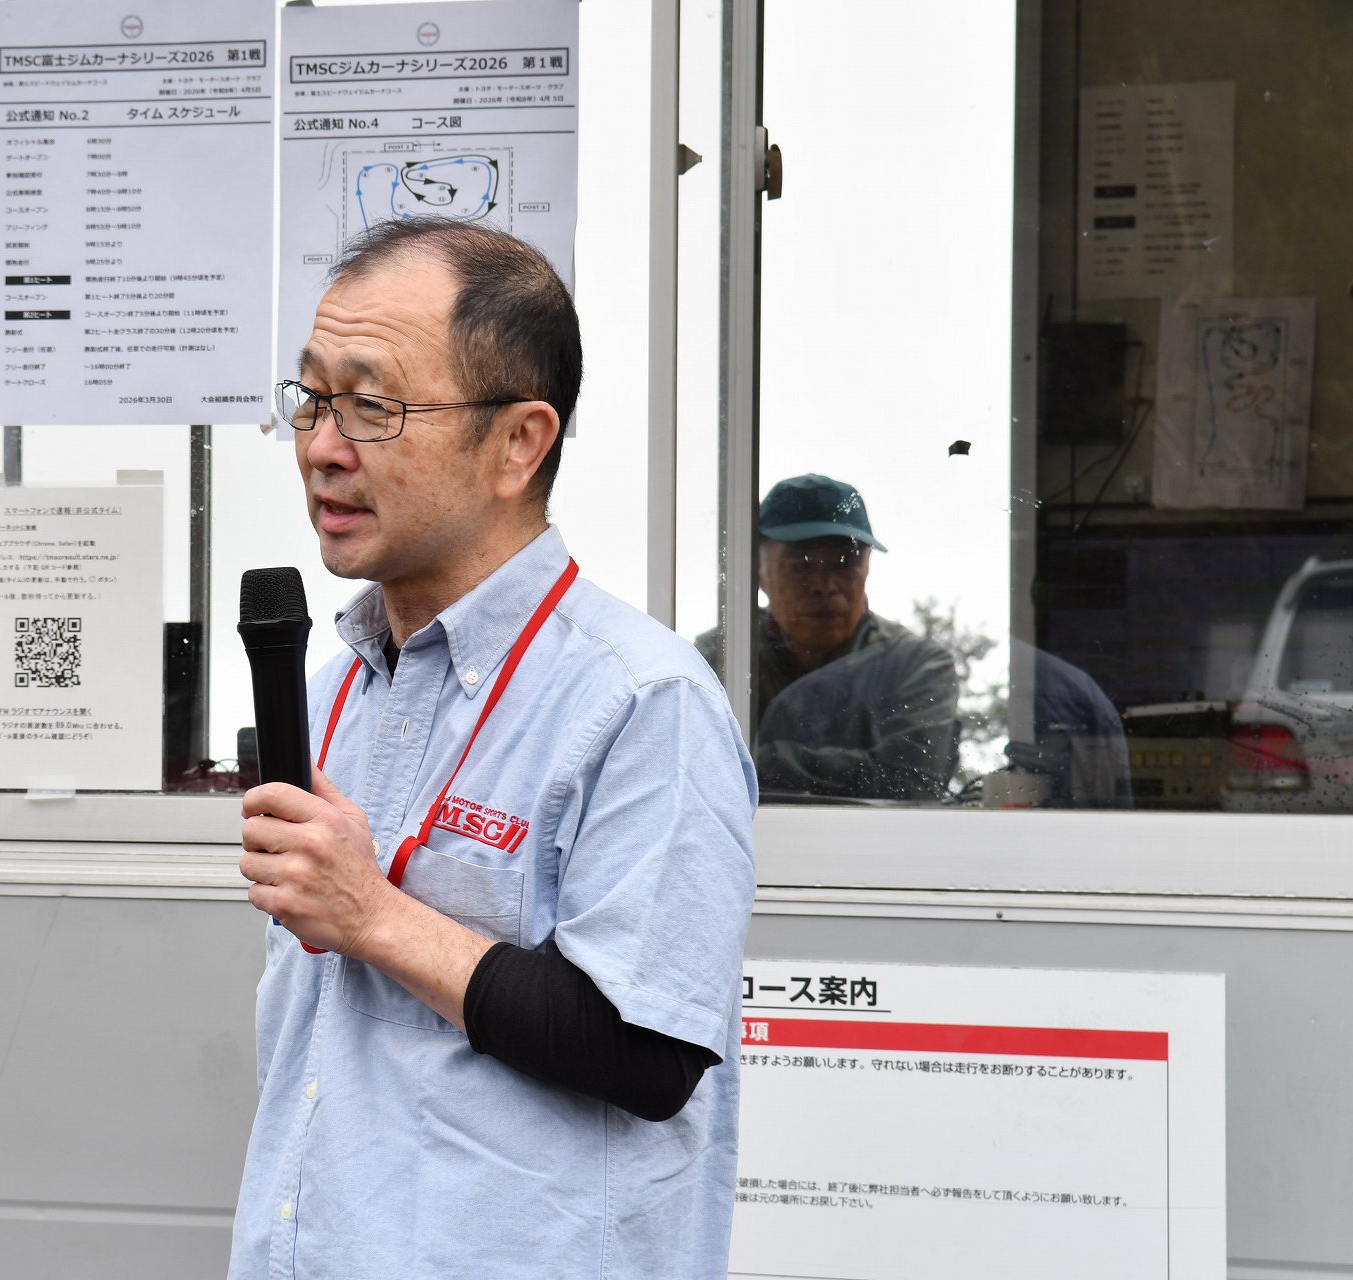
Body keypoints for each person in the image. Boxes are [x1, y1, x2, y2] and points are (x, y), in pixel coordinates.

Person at [231, 219, 757, 1279]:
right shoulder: (334, 690)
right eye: (311, 398)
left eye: (373, 406)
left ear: (519, 442)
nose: (322, 446)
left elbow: (648, 1052)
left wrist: (373, 913)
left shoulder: (642, 702)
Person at [695, 474, 959, 801]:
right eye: (801, 565)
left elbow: (913, 782)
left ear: (866, 568)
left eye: (845, 563)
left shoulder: (916, 665)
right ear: (760, 572)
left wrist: (759, 759)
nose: (824, 585)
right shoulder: (717, 658)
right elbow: (691, 769)